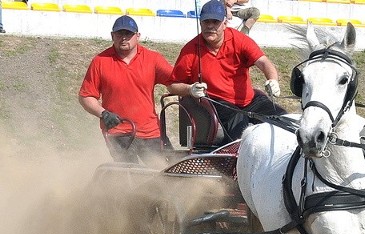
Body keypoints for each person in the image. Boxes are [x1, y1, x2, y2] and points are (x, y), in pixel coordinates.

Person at [168, 0, 286, 142]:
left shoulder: (240, 40)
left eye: (215, 22)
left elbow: (263, 62)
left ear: (224, 23)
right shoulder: (190, 50)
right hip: (217, 103)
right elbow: (172, 85)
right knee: (239, 124)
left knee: (283, 120)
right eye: (206, 22)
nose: (210, 26)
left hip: (249, 101)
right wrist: (190, 89)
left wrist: (273, 80)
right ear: (200, 23)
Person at [79, 15, 174, 166]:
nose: (124, 38)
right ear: (112, 36)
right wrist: (103, 113)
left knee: (164, 171)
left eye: (128, 34)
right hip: (118, 132)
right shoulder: (100, 61)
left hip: (151, 132)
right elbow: (86, 96)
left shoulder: (153, 59)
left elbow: (175, 80)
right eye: (119, 34)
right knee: (130, 175)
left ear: (137, 36)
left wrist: (191, 87)